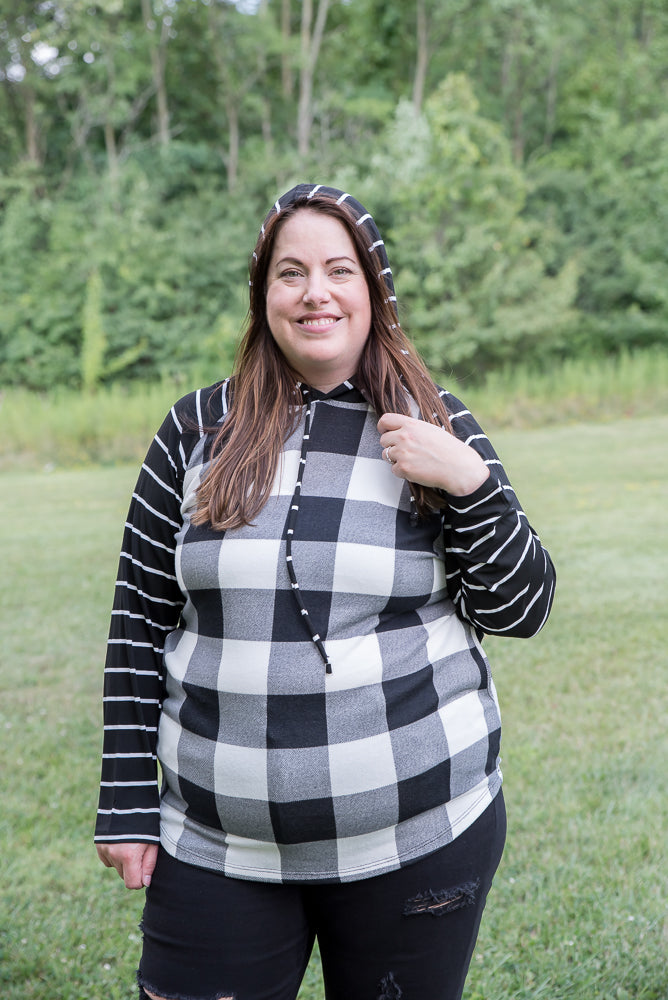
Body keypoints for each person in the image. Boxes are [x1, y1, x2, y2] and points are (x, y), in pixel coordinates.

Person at [95, 183, 556, 1000]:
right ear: (262, 294)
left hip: (419, 840)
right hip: (217, 848)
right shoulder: (195, 428)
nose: (316, 292)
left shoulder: (435, 422)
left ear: (371, 291)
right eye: (291, 272)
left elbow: (521, 609)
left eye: (339, 270)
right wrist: (127, 804)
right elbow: (137, 623)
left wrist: (472, 485)